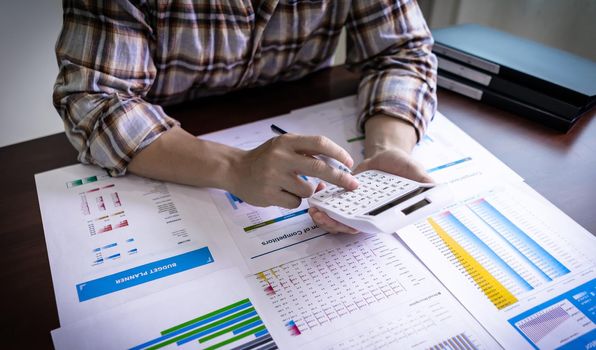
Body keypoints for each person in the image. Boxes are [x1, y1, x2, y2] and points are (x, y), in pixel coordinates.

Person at [53, 0, 437, 234]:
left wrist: (388, 147)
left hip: (297, 101)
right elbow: (94, 100)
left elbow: (403, 54)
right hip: (172, 132)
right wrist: (235, 167)